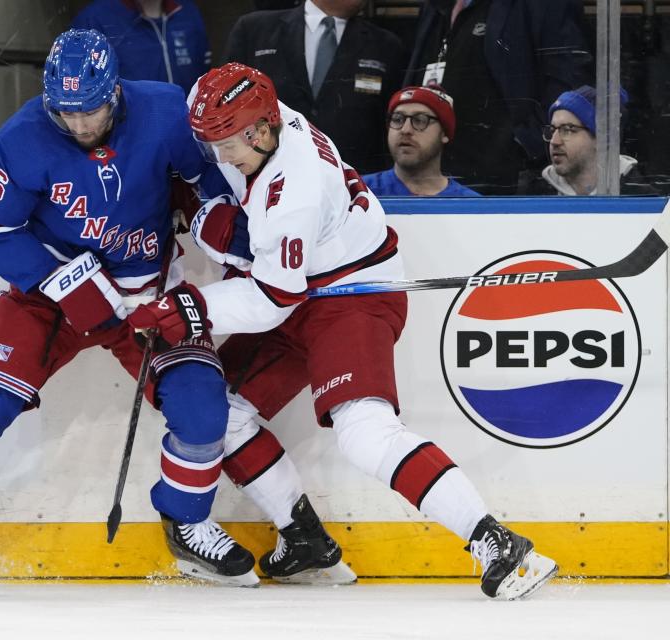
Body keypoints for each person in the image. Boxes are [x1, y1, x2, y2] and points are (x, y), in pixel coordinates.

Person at [128, 62, 559, 599]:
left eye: (227, 146)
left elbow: (270, 298)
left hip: (350, 295)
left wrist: (189, 307)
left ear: (261, 131)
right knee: (223, 412)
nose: (219, 158)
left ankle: (497, 542)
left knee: (364, 432)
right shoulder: (253, 115)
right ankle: (305, 541)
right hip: (303, 285)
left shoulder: (295, 191)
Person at [0, 29, 258, 589]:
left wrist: (226, 230)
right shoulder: (24, 136)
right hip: (49, 298)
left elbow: (212, 184)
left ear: (115, 92)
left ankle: (188, 525)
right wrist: (62, 280)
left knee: (203, 405)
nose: (82, 126)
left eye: (92, 111)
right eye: (68, 114)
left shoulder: (163, 110)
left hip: (144, 294)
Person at [404, 0, 591, 194]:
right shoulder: (433, 7)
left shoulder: (542, 5)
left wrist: (525, 145)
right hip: (436, 176)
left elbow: (568, 79)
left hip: (503, 180)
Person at [223, 0, 406, 174]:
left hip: (352, 188)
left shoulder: (386, 46)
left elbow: (390, 128)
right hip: (268, 181)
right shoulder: (254, 30)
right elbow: (226, 109)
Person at [521, 86, 658, 197]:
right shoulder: (534, 194)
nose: (554, 142)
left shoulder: (641, 198)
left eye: (568, 129)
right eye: (552, 130)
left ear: (601, 139)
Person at [71, 0, 210, 96]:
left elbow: (203, 74)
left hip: (187, 127)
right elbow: (80, 92)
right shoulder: (93, 21)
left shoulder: (187, 12)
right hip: (129, 132)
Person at [363, 85, 479, 196]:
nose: (405, 129)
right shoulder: (358, 192)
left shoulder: (472, 207)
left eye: (420, 120)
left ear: (444, 132)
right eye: (397, 119)